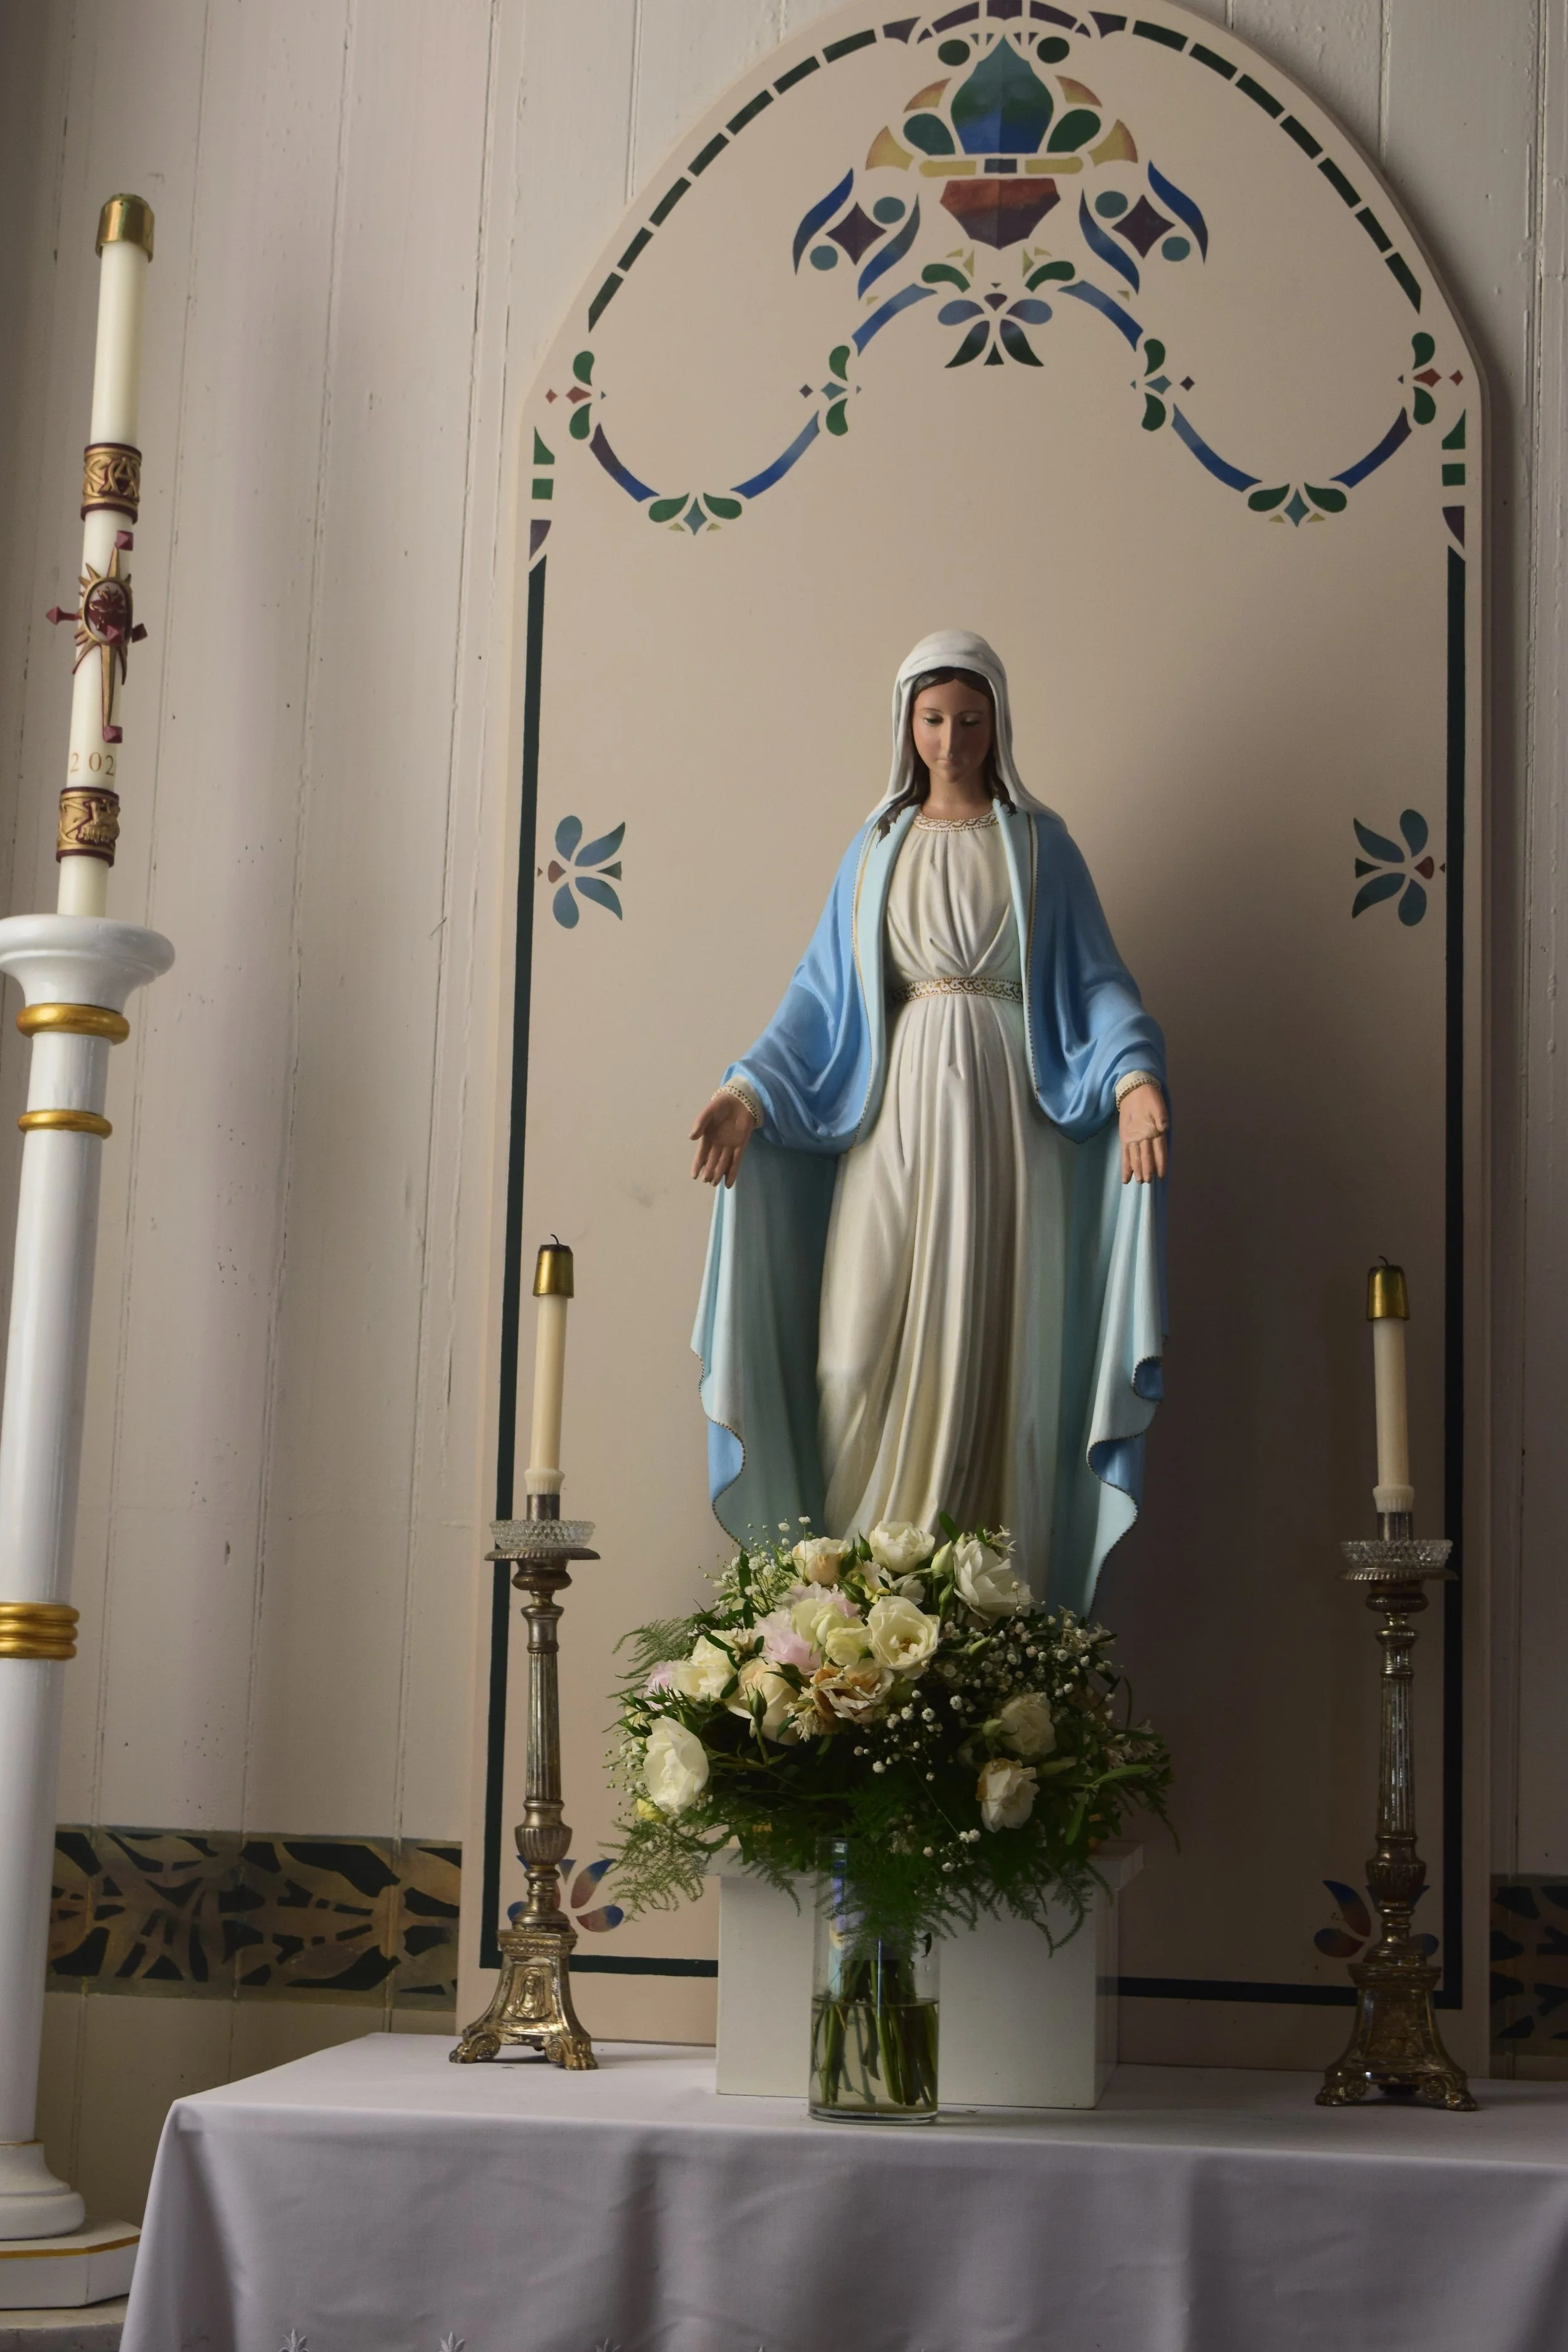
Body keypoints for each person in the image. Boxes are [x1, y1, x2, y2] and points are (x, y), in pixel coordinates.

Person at [688, 630, 1168, 1611]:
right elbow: (818, 999)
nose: (951, 741)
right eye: (933, 720)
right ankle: (857, 1611)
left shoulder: (1039, 844)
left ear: (998, 726)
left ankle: (989, 1605)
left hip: (1003, 1125)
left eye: (970, 721)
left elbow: (1096, 981)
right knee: (852, 1357)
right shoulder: (874, 850)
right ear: (907, 724)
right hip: (896, 1112)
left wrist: (1132, 1076)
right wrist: (749, 1091)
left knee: (999, 1366)